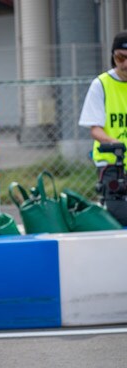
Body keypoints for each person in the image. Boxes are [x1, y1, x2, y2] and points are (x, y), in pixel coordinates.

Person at [79, 30, 127, 224]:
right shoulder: (101, 84)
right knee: (120, 214)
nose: (125, 64)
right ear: (113, 57)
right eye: (120, 58)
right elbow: (95, 129)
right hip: (112, 164)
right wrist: (114, 143)